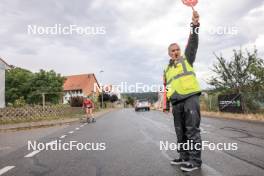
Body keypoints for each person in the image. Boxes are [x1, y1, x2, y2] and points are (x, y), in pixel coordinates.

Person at [163, 10, 202, 172]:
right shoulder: (167, 69)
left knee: (192, 130)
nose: (175, 52)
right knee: (180, 132)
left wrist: (194, 25)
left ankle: (195, 161)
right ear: (169, 54)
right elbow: (167, 88)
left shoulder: (187, 58)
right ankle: (184, 156)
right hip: (176, 103)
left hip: (190, 98)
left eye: (177, 49)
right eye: (172, 50)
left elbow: (193, 42)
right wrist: (166, 105)